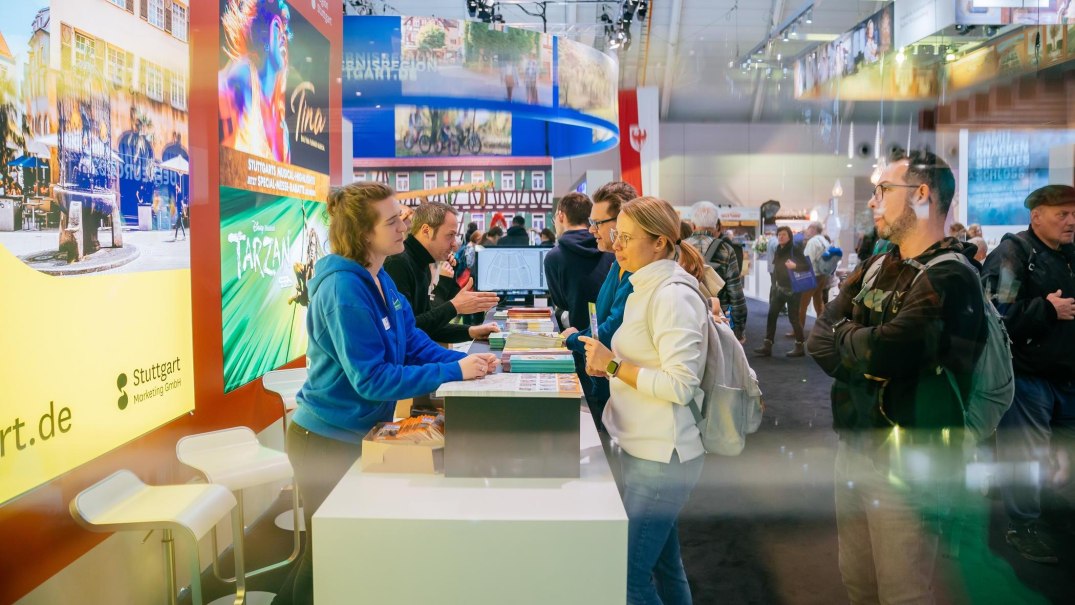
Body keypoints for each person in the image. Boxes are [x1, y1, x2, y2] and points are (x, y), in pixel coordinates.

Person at [274, 183, 498, 605]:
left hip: (350, 433)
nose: (404, 226)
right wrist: (452, 370)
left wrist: (468, 370)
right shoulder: (345, 289)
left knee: (328, 552)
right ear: (363, 234)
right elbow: (371, 379)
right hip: (325, 441)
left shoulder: (378, 279)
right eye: (393, 221)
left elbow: (411, 340)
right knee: (328, 556)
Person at [807, 151, 987, 604]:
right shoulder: (878, 264)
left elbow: (889, 351)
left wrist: (858, 339)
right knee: (860, 584)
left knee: (903, 592)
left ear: (922, 195)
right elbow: (820, 339)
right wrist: (865, 343)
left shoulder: (951, 276)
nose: (872, 202)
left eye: (883, 190)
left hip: (910, 465)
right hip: (854, 449)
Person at [578, 196, 708, 605]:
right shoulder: (641, 285)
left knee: (627, 577)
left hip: (661, 457)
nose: (616, 244)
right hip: (642, 448)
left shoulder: (673, 296)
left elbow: (680, 384)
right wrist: (611, 366)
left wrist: (614, 366)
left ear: (659, 243)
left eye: (626, 238)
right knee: (666, 568)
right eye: (616, 235)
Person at [983, 184, 1075, 564]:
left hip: (1065, 378)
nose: (1071, 222)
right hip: (1027, 378)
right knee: (1026, 455)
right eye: (1062, 214)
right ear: (1036, 216)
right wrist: (1046, 310)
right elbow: (993, 317)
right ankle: (1022, 526)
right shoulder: (1013, 254)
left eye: (1073, 214)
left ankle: (1051, 516)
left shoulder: (1068, 256)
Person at [562, 181, 638, 432]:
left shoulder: (636, 272)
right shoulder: (617, 264)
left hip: (629, 400)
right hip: (609, 386)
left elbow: (608, 331)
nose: (592, 230)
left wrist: (572, 339)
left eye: (597, 223)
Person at [384, 202, 501, 344]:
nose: (455, 244)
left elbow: (428, 326)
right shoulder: (397, 264)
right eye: (450, 235)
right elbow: (407, 329)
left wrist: (471, 331)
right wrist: (454, 306)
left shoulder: (421, 263)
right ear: (426, 231)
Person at [544, 192, 614, 402]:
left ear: (561, 216)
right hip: (616, 346)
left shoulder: (554, 256)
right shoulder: (612, 252)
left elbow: (561, 303)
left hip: (577, 344)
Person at [219, 0, 293, 163]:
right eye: (277, 25)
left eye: (286, 30)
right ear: (263, 35)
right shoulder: (244, 73)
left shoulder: (284, 130)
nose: (283, 35)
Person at [685, 201, 748, 342]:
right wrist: (739, 330)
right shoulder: (726, 250)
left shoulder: (680, 249)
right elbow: (736, 295)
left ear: (693, 225)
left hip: (687, 316)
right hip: (717, 319)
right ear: (716, 225)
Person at [754, 226, 809, 357]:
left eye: (784, 235)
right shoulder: (779, 248)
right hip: (780, 289)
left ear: (789, 236)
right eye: (779, 235)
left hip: (793, 290)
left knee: (793, 318)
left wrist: (795, 266)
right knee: (772, 315)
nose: (780, 237)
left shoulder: (794, 249)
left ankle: (800, 346)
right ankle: (767, 345)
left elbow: (806, 266)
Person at [797, 221, 830, 329]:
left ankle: (799, 329)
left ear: (813, 229)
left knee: (802, 304)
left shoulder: (812, 242)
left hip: (812, 275)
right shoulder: (824, 241)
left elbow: (808, 260)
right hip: (822, 275)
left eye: (809, 228)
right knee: (818, 301)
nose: (807, 231)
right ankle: (822, 327)